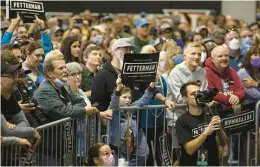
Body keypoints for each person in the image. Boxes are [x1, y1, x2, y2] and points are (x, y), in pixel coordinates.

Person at [166, 42, 208, 165]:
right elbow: (180, 98)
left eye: (199, 54)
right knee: (179, 157)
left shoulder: (202, 72)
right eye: (193, 54)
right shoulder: (176, 72)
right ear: (185, 56)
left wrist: (201, 99)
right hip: (177, 119)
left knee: (198, 154)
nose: (196, 57)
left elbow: (204, 94)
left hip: (197, 119)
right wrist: (199, 99)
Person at [33, 55, 98, 121]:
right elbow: (62, 112)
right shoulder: (45, 91)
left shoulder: (63, 86)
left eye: (65, 67)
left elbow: (81, 102)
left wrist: (70, 109)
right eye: (61, 68)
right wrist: (82, 110)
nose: (65, 71)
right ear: (49, 73)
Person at [109, 74, 154, 166]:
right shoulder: (114, 109)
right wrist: (118, 88)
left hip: (131, 141)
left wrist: (152, 84)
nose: (127, 100)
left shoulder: (131, 108)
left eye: (129, 97)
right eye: (124, 97)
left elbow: (144, 99)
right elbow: (114, 101)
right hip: (117, 144)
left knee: (143, 154)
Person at [176, 81, 221, 166]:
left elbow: (224, 143)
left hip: (212, 162)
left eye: (198, 92)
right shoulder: (182, 120)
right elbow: (189, 150)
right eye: (193, 94)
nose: (197, 96)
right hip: (191, 163)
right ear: (185, 98)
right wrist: (206, 133)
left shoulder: (210, 113)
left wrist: (220, 128)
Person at [204, 45, 245, 110]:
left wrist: (237, 96)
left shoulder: (232, 71)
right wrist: (230, 100)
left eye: (226, 55)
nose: (224, 58)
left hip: (233, 109)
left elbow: (241, 90)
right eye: (220, 56)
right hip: (216, 111)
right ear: (212, 59)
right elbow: (212, 94)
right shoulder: (206, 72)